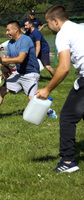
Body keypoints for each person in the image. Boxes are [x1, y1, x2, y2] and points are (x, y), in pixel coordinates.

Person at [36, 5, 84, 173]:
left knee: (67, 117)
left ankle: (68, 161)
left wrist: (47, 89)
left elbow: (63, 68)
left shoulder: (63, 34)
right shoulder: (80, 28)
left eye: (48, 23)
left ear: (55, 21)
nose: (48, 27)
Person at [0, 21, 57, 122]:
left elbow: (20, 59)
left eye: (8, 30)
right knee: (1, 91)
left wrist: (4, 60)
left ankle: (50, 111)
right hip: (19, 72)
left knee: (32, 99)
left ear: (16, 30)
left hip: (31, 73)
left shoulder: (26, 40)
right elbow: (9, 58)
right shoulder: (11, 43)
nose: (6, 33)